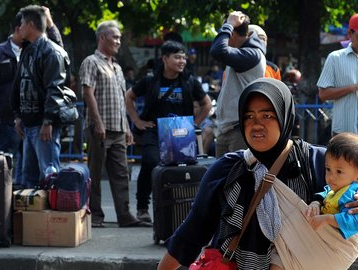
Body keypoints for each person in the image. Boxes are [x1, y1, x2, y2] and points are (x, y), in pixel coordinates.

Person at [157, 78, 358, 270]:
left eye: (267, 116)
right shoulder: (228, 169)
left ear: (285, 118)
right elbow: (193, 231)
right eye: (249, 116)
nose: (256, 125)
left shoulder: (319, 162)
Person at [0, 7, 62, 188]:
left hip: (33, 120)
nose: (22, 27)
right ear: (17, 28)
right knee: (3, 173)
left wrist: (49, 24)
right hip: (8, 121)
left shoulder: (38, 49)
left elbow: (57, 52)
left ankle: (30, 210)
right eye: (20, 24)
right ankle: (3, 211)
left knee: (36, 174)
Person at [125, 40, 212, 223]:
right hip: (154, 131)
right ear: (165, 59)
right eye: (177, 57)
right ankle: (142, 207)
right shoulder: (150, 80)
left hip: (180, 135)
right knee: (151, 162)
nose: (182, 61)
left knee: (179, 172)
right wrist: (137, 121)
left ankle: (175, 209)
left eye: (183, 57)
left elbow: (207, 104)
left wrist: (193, 125)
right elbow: (129, 96)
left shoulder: (189, 81)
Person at [80, 20, 146, 228]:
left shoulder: (117, 67)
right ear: (102, 38)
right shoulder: (91, 62)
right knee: (95, 175)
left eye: (119, 37)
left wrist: (127, 128)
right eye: (114, 37)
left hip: (118, 130)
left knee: (121, 175)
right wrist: (98, 123)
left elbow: (121, 100)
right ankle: (95, 216)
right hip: (99, 129)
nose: (118, 41)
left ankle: (124, 215)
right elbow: (87, 93)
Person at [11, 5, 68, 188]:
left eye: (21, 23)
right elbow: (20, 84)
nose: (18, 27)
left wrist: (48, 121)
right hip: (29, 124)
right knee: (30, 178)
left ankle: (52, 217)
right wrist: (19, 116)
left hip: (44, 126)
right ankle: (32, 217)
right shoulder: (27, 50)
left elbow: (55, 88)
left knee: (49, 177)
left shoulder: (51, 52)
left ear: (30, 24)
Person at [210, 10, 266, 157]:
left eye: (227, 33)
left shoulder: (251, 54)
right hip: (226, 129)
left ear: (232, 34)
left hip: (240, 130)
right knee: (222, 179)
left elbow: (217, 51)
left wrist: (229, 24)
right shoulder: (240, 53)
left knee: (239, 178)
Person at [306, 132, 358, 240]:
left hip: (342, 249)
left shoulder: (353, 195)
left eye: (339, 171)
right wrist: (316, 203)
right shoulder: (337, 188)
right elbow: (326, 193)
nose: (331, 177)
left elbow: (353, 222)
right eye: (328, 169)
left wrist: (327, 219)